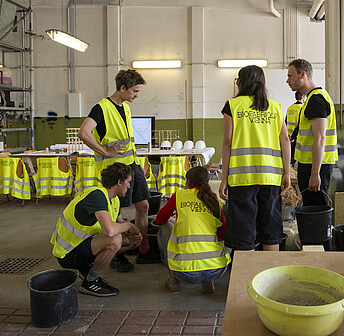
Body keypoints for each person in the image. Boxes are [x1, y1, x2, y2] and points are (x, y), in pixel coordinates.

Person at [78, 69, 158, 267]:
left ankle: (142, 247)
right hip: (114, 168)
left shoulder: (126, 107)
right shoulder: (101, 108)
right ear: (122, 88)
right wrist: (105, 151)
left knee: (144, 205)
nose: (137, 95)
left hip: (132, 165)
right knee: (117, 212)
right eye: (135, 91)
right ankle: (117, 254)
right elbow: (83, 133)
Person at [219, 65, 291, 251]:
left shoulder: (233, 106)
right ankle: (269, 277)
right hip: (270, 178)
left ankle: (246, 278)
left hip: (242, 178)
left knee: (243, 232)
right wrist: (287, 174)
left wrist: (224, 178)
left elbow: (227, 143)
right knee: (270, 231)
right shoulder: (275, 107)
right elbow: (285, 140)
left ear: (241, 82)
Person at [50, 162, 142, 297]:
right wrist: (129, 226)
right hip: (67, 254)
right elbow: (110, 231)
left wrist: (133, 236)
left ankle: (87, 268)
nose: (129, 186)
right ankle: (90, 281)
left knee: (129, 242)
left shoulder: (113, 199)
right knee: (114, 240)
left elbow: (119, 222)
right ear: (119, 181)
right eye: (128, 182)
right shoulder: (97, 196)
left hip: (83, 244)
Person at [286, 58, 338, 251]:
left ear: (303, 74)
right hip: (311, 164)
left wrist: (315, 173)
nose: (288, 80)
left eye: (290, 76)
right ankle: (317, 251)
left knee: (316, 215)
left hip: (316, 166)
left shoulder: (316, 99)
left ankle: (322, 255)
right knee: (314, 213)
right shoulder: (313, 98)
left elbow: (320, 138)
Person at [155, 166, 231, 293]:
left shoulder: (179, 195)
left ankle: (173, 281)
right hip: (216, 270)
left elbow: (159, 219)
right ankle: (208, 282)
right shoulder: (215, 201)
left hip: (184, 272)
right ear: (207, 182)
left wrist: (175, 220)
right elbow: (222, 235)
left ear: (188, 182)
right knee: (226, 235)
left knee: (165, 227)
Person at [286, 91, 305, 165]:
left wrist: (288, 136)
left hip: (288, 136)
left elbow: (285, 122)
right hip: (296, 136)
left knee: (289, 157)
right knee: (295, 158)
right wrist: (293, 136)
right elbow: (300, 124)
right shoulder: (302, 108)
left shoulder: (290, 108)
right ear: (303, 97)